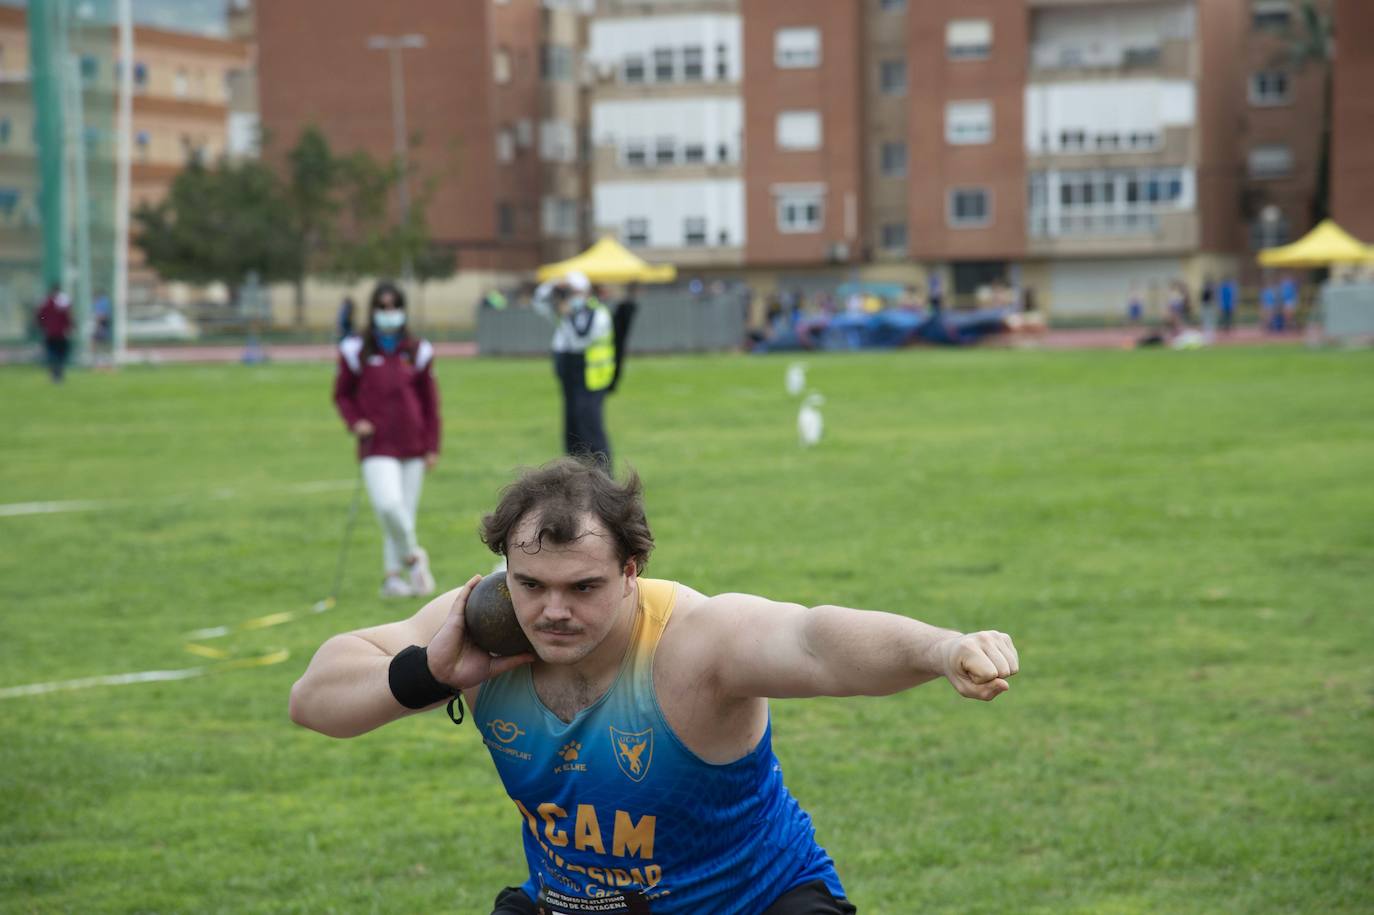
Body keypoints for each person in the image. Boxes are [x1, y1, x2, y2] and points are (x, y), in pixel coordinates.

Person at [290, 458, 1020, 914]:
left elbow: (814, 639)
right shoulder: (473, 633)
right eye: (530, 584)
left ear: (631, 569)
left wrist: (941, 647)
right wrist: (426, 674)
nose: (552, 611)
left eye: (583, 586)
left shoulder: (692, 642)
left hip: (755, 901)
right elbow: (314, 698)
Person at [333, 281, 440, 599]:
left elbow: (431, 404)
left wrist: (432, 446)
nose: (389, 312)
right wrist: (356, 422)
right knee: (389, 506)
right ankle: (414, 557)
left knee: (404, 512)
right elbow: (342, 394)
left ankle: (393, 578)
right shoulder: (356, 350)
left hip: (413, 444)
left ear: (403, 310)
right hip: (376, 444)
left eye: (394, 306)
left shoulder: (418, 350)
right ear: (373, 310)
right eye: (383, 306)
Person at [533, 271, 616, 471]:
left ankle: (603, 473)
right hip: (571, 375)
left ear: (586, 292)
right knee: (572, 427)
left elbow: (581, 340)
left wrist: (567, 313)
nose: (571, 296)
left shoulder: (597, 313)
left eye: (574, 291)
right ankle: (575, 473)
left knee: (591, 427)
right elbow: (538, 301)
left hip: (591, 378)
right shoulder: (565, 310)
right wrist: (554, 284)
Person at [36, 283, 73, 383]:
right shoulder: (63, 303)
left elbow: (40, 316)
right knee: (60, 354)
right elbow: (67, 317)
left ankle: (54, 374)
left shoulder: (45, 302)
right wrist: (69, 328)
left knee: (52, 354)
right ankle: (58, 374)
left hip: (50, 332)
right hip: (61, 333)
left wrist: (44, 326)